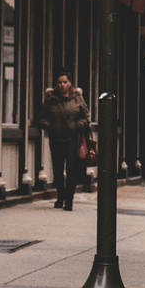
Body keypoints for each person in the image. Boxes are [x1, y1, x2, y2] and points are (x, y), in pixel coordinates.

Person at [34, 70, 92, 210]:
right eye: (59, 82)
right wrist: (51, 126)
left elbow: (86, 116)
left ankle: (69, 200)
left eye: (65, 82)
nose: (62, 85)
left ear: (70, 83)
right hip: (56, 139)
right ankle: (60, 196)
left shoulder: (77, 98)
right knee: (58, 170)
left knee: (71, 169)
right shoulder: (51, 99)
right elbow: (41, 118)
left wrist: (78, 125)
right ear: (56, 84)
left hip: (73, 138)